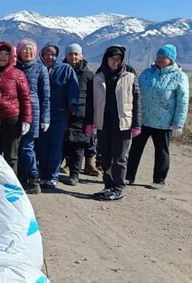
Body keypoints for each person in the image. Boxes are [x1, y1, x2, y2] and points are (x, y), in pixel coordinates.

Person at [127, 44, 189, 189]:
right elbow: (135, 94)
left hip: (164, 123)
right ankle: (128, 176)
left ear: (171, 59)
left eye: (164, 57)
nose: (160, 59)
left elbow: (183, 101)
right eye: (159, 56)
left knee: (162, 152)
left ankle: (159, 179)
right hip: (143, 119)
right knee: (135, 149)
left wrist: (178, 123)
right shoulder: (147, 73)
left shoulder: (179, 76)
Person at [86, 45, 141, 201]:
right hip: (104, 123)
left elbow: (137, 101)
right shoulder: (98, 76)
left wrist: (137, 124)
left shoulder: (130, 76)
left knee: (119, 158)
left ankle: (118, 188)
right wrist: (89, 122)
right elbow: (91, 101)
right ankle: (108, 186)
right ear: (106, 59)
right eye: (112, 59)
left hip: (123, 123)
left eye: (118, 59)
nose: (115, 62)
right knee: (105, 157)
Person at [37, 43, 79, 189]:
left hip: (59, 114)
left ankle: (52, 176)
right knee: (42, 146)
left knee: (56, 146)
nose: (50, 56)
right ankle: (42, 174)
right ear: (42, 54)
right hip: (41, 115)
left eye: (53, 54)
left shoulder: (65, 69)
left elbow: (73, 89)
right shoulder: (37, 68)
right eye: (47, 53)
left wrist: (73, 109)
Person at [0, 42, 32, 172]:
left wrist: (26, 120)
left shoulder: (18, 74)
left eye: (7, 54)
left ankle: (10, 188)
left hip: (12, 120)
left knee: (11, 157)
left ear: (12, 56)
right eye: (0, 53)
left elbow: (25, 98)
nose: (3, 57)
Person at [16, 38, 50, 194]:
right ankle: (20, 178)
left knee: (27, 146)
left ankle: (33, 178)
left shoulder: (40, 69)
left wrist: (45, 118)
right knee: (17, 146)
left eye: (30, 49)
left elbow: (46, 95)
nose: (27, 52)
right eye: (24, 49)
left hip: (33, 112)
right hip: (16, 111)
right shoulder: (15, 68)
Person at [62, 43, 97, 185]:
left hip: (81, 114)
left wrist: (92, 117)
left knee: (78, 146)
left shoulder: (89, 74)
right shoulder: (60, 70)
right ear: (66, 56)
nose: (73, 56)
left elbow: (94, 97)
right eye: (70, 54)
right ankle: (55, 170)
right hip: (63, 113)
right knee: (62, 143)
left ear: (81, 56)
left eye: (76, 54)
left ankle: (74, 174)